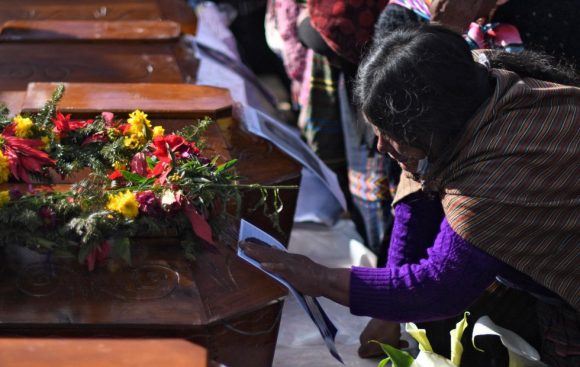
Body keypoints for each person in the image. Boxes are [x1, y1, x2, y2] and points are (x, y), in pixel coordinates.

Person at [241, 25, 579, 365]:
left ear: (432, 127)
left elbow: (439, 287)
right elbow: (417, 199)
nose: (380, 146)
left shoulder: (501, 170)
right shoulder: (464, 87)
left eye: (389, 135)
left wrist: (320, 279)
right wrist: (387, 315)